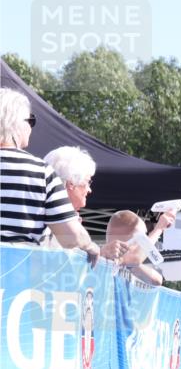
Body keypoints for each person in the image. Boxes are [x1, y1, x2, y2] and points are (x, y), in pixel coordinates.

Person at [0, 89, 104, 263]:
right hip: (14, 281)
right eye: (30, 120)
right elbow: (70, 237)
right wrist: (91, 246)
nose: (31, 128)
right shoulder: (41, 172)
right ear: (16, 123)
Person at [105, 209, 177, 286]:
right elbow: (135, 257)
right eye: (141, 240)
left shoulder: (124, 263)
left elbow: (157, 281)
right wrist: (159, 227)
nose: (140, 246)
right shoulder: (100, 258)